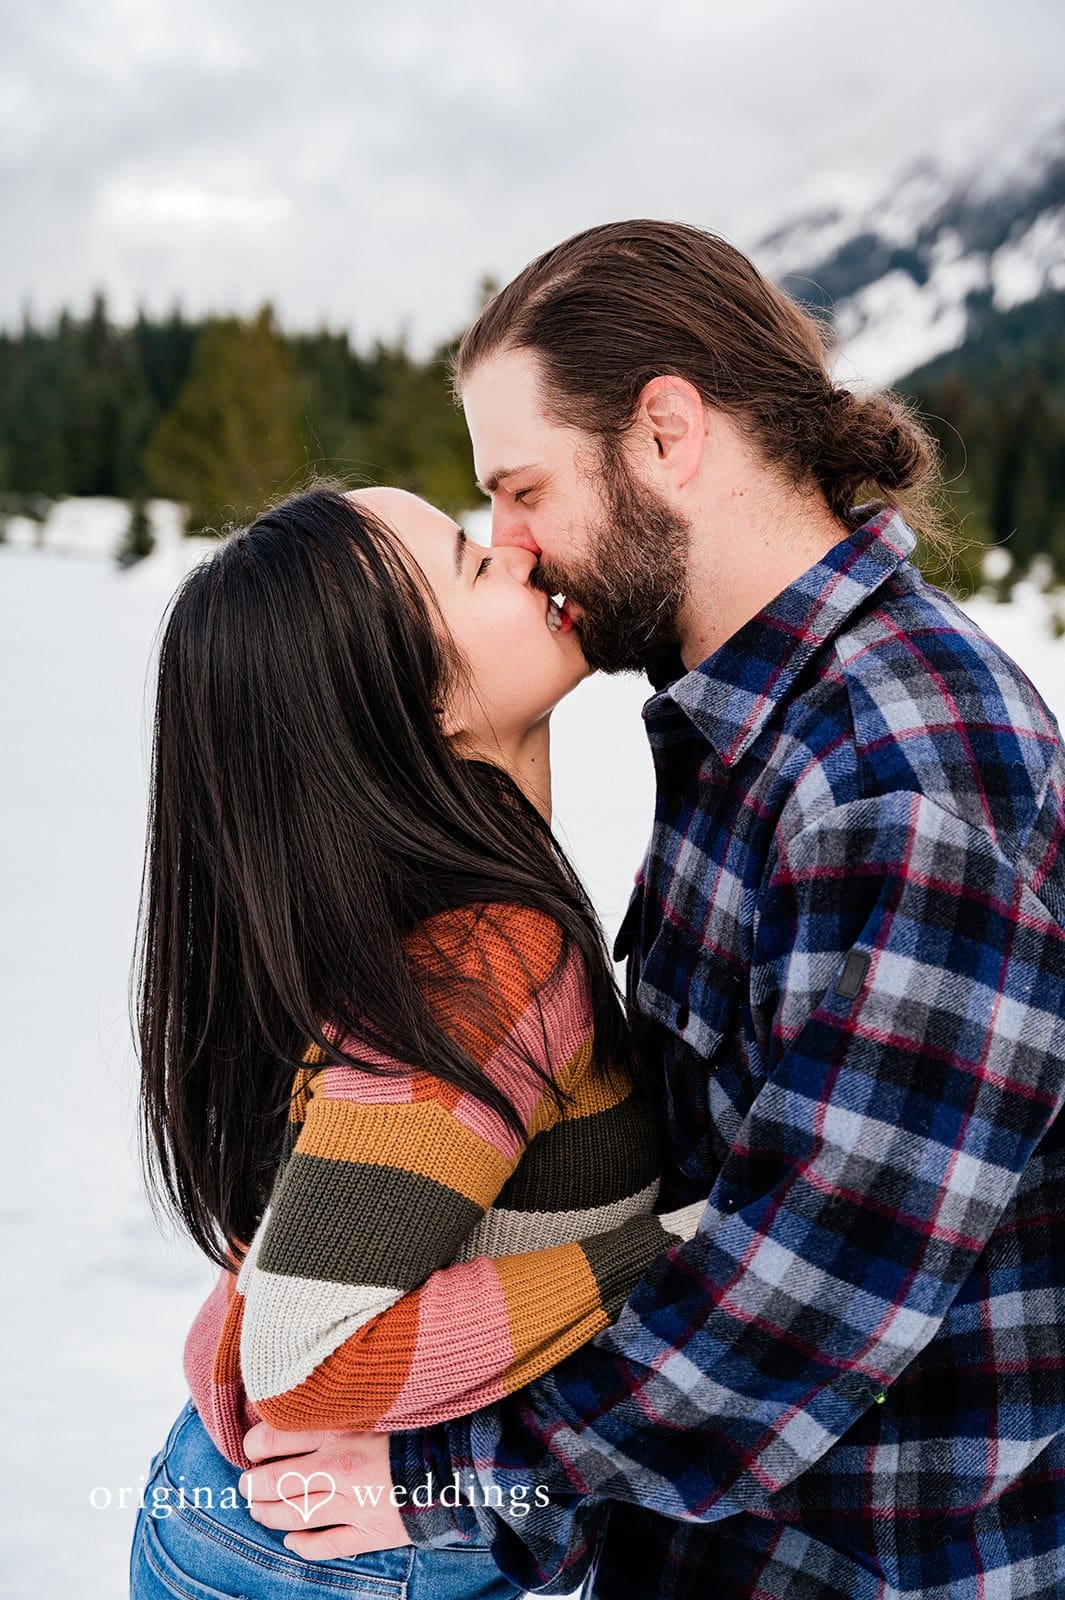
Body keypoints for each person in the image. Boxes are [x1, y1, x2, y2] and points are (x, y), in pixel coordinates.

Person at [243, 223, 1065, 1600]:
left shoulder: (904, 772)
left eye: (521, 488)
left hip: (857, 1565)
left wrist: (456, 1480)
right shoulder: (749, 725)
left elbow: (802, 1305)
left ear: (667, 434)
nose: (512, 548)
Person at [128, 482, 706, 1600]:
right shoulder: (486, 958)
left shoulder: (438, 913)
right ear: (413, 705)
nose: (514, 552)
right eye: (467, 562)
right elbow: (308, 1355)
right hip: (324, 1552)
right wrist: (672, 1252)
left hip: (273, 1525)